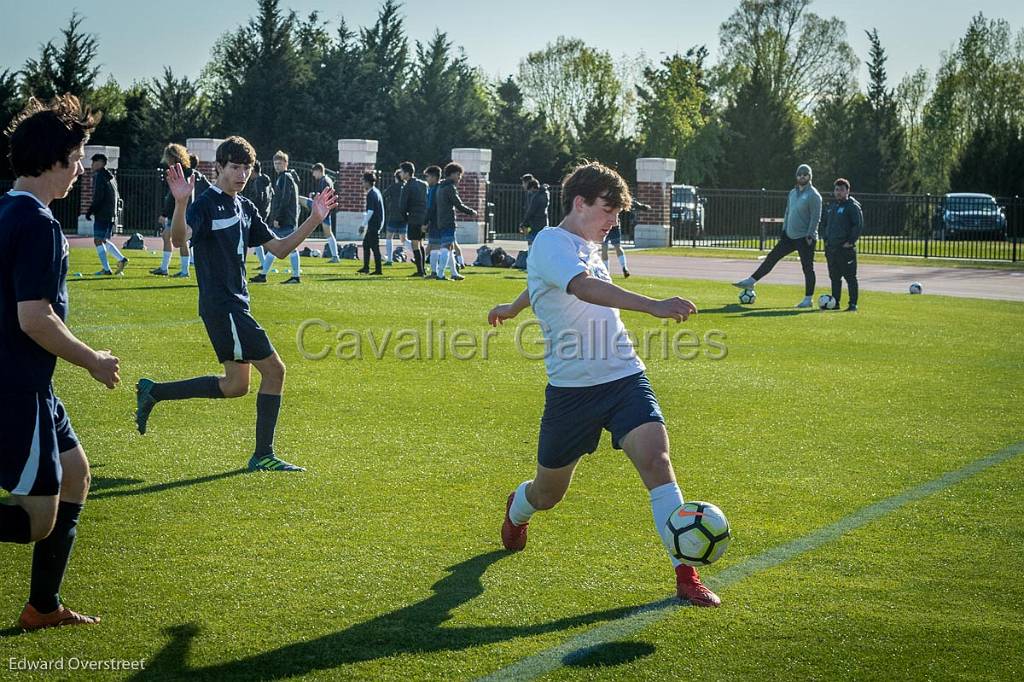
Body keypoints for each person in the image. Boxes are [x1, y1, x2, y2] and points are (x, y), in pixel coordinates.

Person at [486, 161, 721, 608]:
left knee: (657, 459)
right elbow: (580, 287)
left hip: (624, 378)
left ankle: (685, 574)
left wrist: (515, 307)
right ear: (580, 202)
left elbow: (542, 284)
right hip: (572, 394)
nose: (615, 221)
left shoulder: (589, 246)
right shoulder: (551, 241)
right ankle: (519, 508)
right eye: (609, 210)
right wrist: (652, 305)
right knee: (548, 493)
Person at [135, 136, 336, 472]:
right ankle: (263, 455)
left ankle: (154, 392)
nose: (242, 174)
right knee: (275, 371)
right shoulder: (205, 204)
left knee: (235, 386)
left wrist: (315, 218)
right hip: (224, 306)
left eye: (247, 168)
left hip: (236, 305)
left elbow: (281, 249)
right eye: (235, 167)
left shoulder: (245, 207)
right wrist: (181, 204)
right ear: (219, 168)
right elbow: (180, 239)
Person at [0, 94, 121, 630]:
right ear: (54, 161)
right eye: (75, 161)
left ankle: (42, 607)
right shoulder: (39, 224)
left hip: (32, 386)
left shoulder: (6, 209)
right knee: (36, 522)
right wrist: (92, 359)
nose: (79, 172)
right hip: (16, 385)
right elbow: (35, 318)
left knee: (75, 476)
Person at [733, 163, 821, 307]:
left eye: (805, 174)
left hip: (805, 238)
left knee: (807, 268)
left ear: (810, 176)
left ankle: (808, 299)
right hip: (789, 236)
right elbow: (788, 212)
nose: (802, 177)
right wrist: (784, 230)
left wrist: (810, 235)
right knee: (772, 257)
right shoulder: (793, 193)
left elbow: (815, 217)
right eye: (799, 174)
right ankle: (751, 281)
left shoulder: (813, 195)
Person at [153, 144, 209, 277]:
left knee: (182, 241)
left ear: (173, 157)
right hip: (180, 211)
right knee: (167, 236)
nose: (166, 160)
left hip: (182, 212)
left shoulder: (183, 172)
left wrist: (165, 213)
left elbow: (175, 196)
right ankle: (165, 268)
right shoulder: (187, 172)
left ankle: (183, 271)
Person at [252, 150, 301, 284]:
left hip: (285, 219)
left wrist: (278, 218)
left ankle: (266, 275)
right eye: (275, 163)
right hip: (287, 219)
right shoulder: (284, 177)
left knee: (279, 247)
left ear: (286, 163)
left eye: (279, 163)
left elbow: (285, 199)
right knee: (283, 248)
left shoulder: (286, 178)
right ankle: (265, 274)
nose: (277, 165)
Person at [84, 153, 128, 276]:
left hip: (103, 213)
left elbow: (99, 196)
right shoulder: (111, 177)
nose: (92, 165)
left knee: (98, 240)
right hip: (110, 213)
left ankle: (107, 268)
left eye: (94, 162)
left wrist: (90, 210)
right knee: (103, 239)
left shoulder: (100, 176)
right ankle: (120, 260)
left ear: (101, 163)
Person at [823, 178, 862, 312]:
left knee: (850, 277)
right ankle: (835, 302)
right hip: (832, 249)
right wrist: (826, 241)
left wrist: (850, 242)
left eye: (842, 190)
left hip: (845, 250)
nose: (839, 192)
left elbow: (857, 225)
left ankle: (853, 304)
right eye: (837, 189)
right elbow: (827, 226)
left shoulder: (852, 206)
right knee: (834, 277)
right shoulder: (833, 207)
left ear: (848, 191)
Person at [433, 162, 477, 281]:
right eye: (458, 175)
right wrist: (471, 212)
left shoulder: (440, 186)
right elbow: (458, 204)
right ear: (452, 174)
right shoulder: (449, 187)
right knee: (446, 247)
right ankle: (440, 274)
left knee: (451, 247)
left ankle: (454, 273)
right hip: (448, 221)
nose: (459, 178)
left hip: (440, 220)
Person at [602, 198, 650, 279]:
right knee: (614, 247)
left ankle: (612, 270)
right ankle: (622, 268)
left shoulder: (610, 197)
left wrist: (640, 206)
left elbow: (628, 201)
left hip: (609, 226)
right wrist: (641, 206)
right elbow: (629, 201)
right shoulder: (613, 198)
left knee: (606, 248)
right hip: (611, 226)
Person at [398, 161, 429, 277]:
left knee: (415, 244)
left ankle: (420, 271)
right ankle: (423, 269)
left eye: (401, 172)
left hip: (414, 218)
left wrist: (406, 218)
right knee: (421, 243)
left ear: (407, 173)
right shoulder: (423, 184)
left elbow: (402, 206)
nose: (400, 174)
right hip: (424, 218)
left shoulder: (407, 186)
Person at [308, 163, 338, 262]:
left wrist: (313, 196)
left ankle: (335, 256)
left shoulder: (324, 181)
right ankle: (335, 256)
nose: (313, 175)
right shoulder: (326, 180)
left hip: (325, 209)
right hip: (326, 208)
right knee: (328, 233)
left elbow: (324, 196)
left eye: (314, 172)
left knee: (328, 233)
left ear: (319, 171)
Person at [247, 160, 274, 267]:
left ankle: (263, 262)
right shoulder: (267, 180)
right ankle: (263, 262)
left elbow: (259, 197)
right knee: (259, 238)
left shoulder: (258, 181)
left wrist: (250, 205)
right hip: (265, 212)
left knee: (257, 238)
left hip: (258, 212)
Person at [357, 171, 384, 275]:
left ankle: (378, 270)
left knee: (374, 247)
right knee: (366, 245)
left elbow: (370, 212)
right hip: (376, 223)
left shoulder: (371, 194)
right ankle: (366, 267)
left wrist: (363, 225)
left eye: (363, 182)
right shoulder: (376, 192)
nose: (362, 184)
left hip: (374, 224)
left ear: (368, 182)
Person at [381, 169, 406, 265]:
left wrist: (389, 204)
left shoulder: (393, 187)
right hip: (404, 216)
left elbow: (384, 195)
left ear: (396, 178)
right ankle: (418, 255)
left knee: (389, 237)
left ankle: (390, 259)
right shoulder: (406, 187)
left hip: (394, 215)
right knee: (403, 239)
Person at [519, 178, 549, 248]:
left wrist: (524, 223)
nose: (529, 192)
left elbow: (531, 211)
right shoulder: (545, 193)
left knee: (531, 245)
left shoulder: (536, 196)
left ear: (533, 188)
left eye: (530, 190)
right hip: (543, 222)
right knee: (541, 244)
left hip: (534, 224)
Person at [423, 165, 442, 273]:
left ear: (434, 177)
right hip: (440, 220)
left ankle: (434, 272)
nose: (427, 179)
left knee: (435, 246)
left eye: (428, 176)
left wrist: (425, 222)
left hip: (435, 221)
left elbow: (430, 208)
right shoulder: (441, 188)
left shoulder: (433, 190)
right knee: (439, 246)